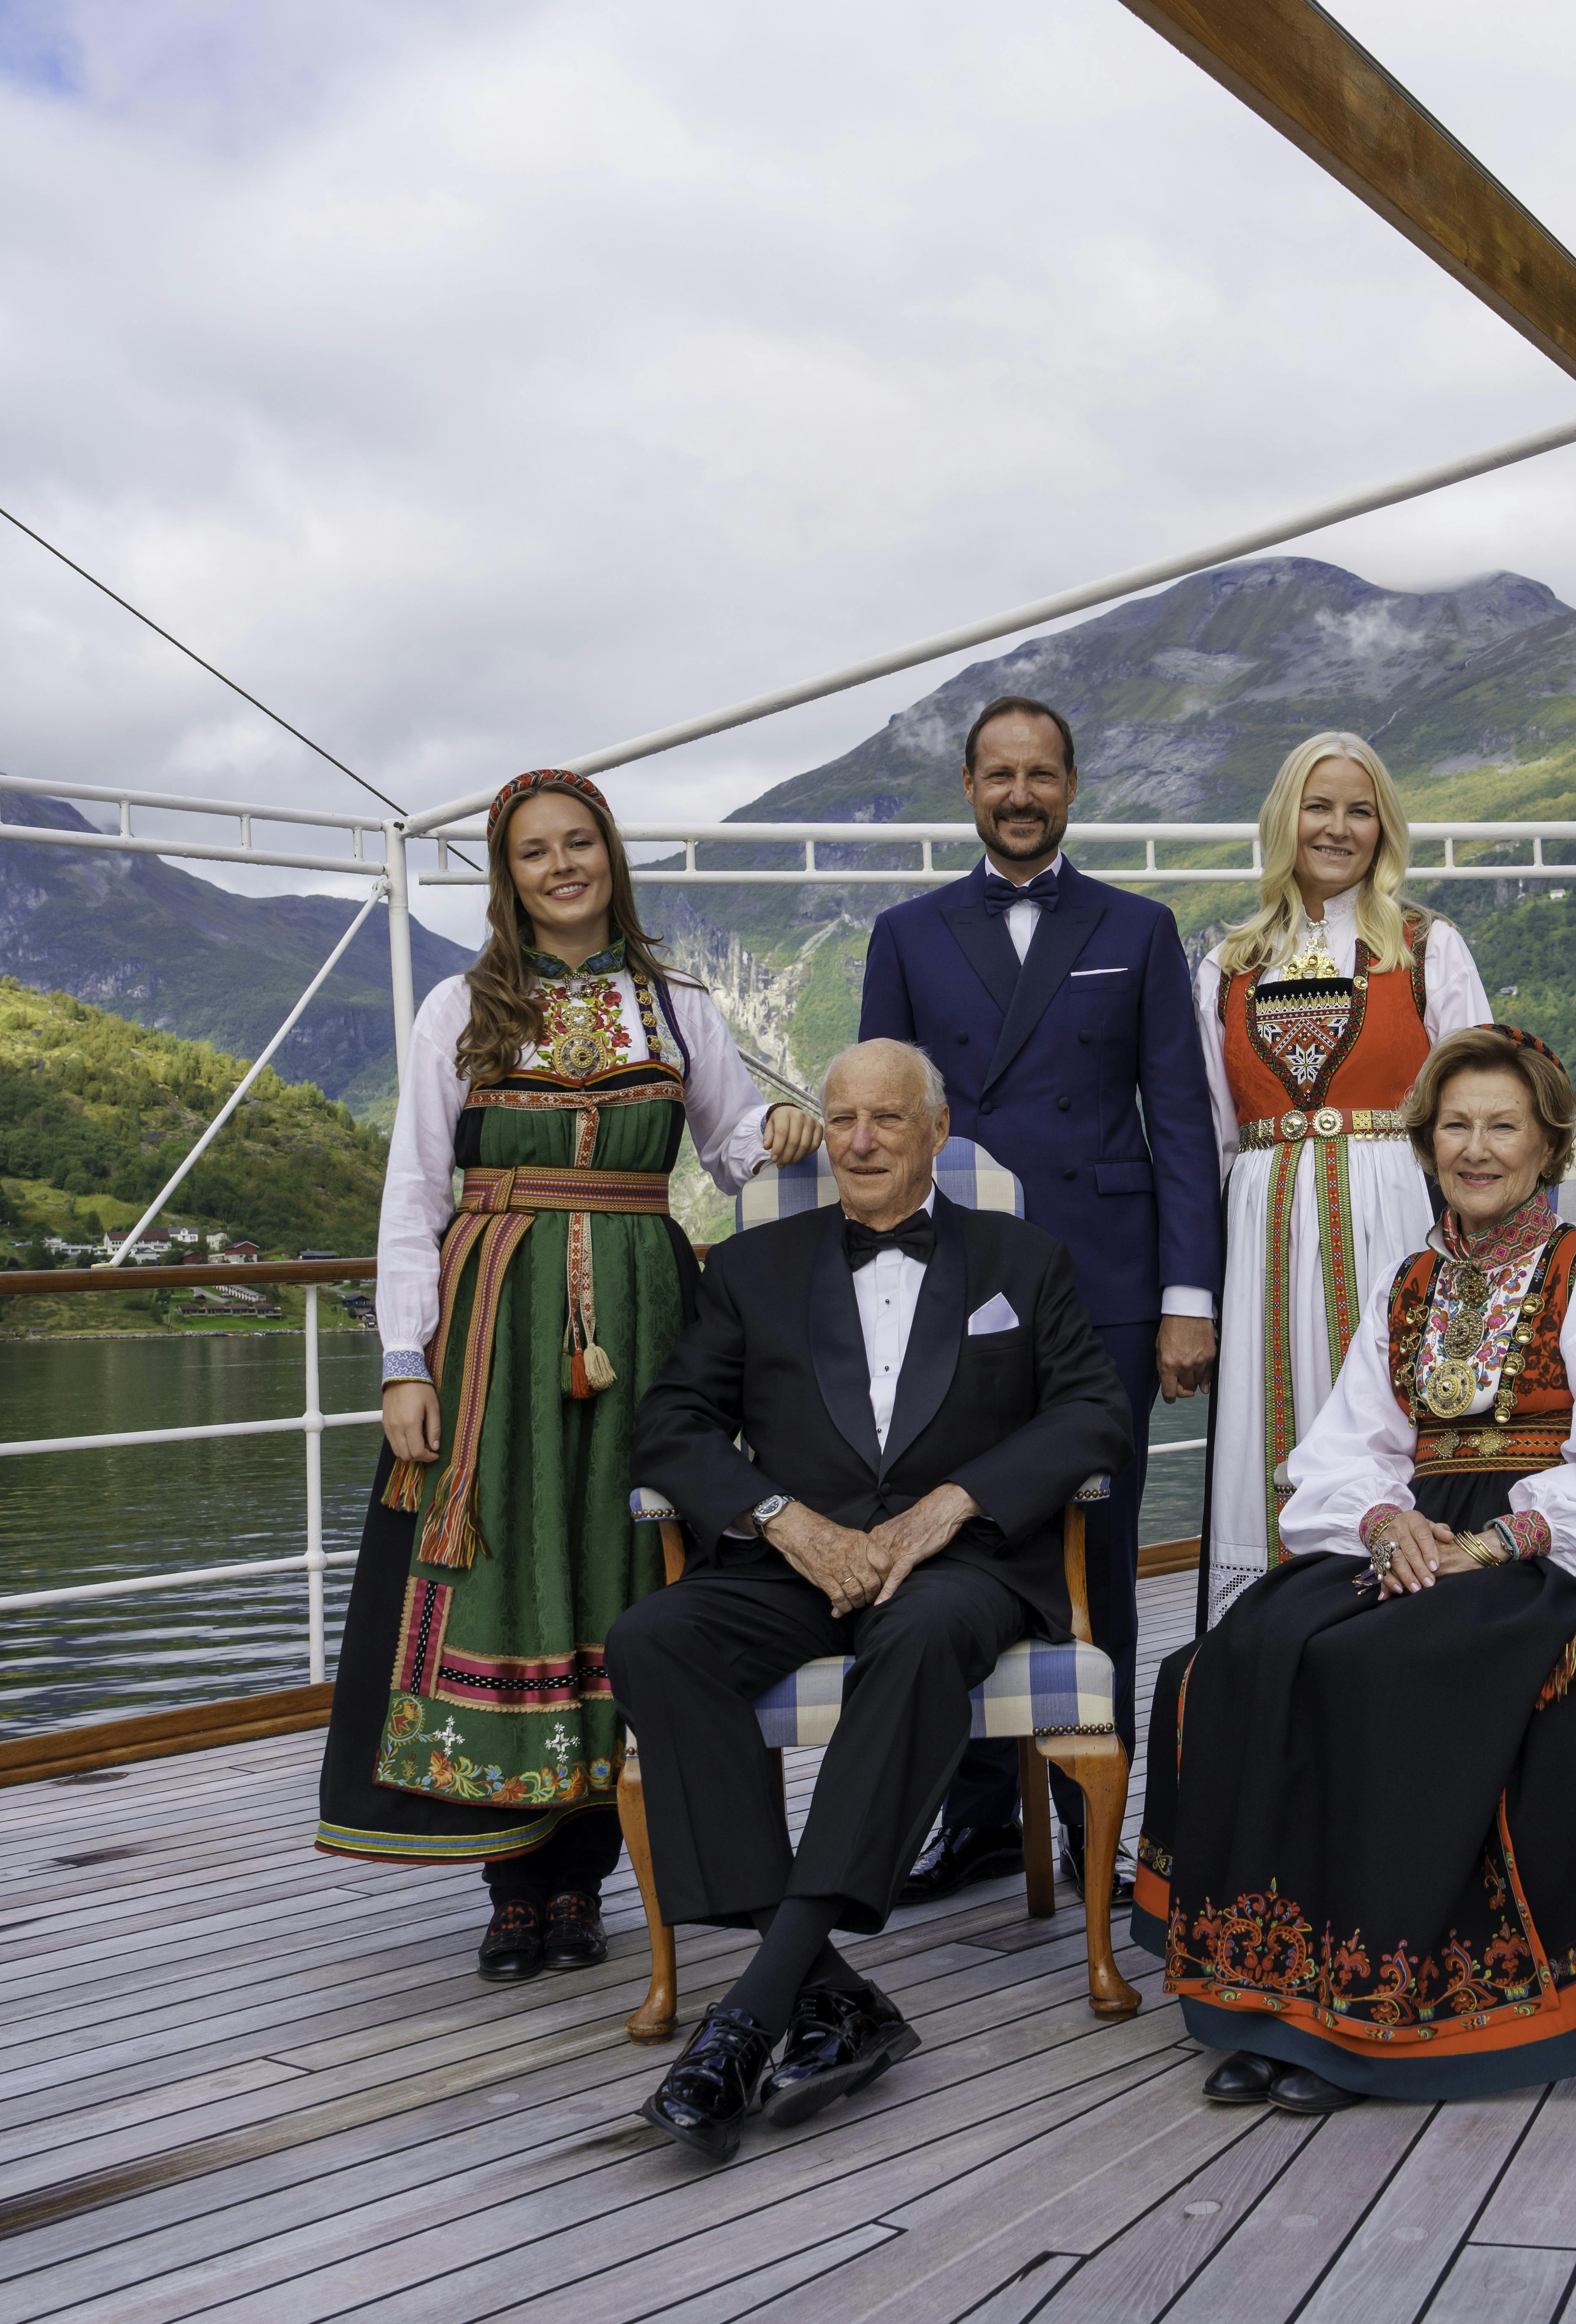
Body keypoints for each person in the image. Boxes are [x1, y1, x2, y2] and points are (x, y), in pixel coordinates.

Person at [319, 767, 818, 1978]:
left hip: (648, 1319)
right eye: (535, 851)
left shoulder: (678, 1004)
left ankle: (586, 1875)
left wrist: (783, 1130)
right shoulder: (460, 1007)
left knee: (620, 1568)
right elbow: (414, 1193)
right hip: (494, 1324)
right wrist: (404, 1360)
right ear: (509, 876)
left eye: (579, 842)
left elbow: (732, 1148)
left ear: (610, 855)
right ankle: (512, 1886)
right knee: (506, 1567)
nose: (561, 866)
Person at [1133, 1026, 1576, 2112]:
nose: (1476, 1149)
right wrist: (1388, 1521)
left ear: (1548, 1143)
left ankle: (1375, 2010)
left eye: (1503, 1127)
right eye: (1455, 1127)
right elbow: (1346, 1448)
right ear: (1428, 1145)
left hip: (1561, 1555)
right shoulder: (1408, 1283)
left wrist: (1490, 1543)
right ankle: (1269, 1991)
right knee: (1246, 1649)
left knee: (1379, 1666)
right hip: (1418, 1534)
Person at [614, 1038, 1130, 2164]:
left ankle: (748, 2014)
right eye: (841, 1118)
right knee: (653, 1636)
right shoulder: (750, 1267)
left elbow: (1094, 1412)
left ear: (936, 1130)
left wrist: (953, 1504)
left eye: (886, 1119)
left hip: (961, 1565)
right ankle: (835, 1990)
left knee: (922, 1633)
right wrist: (781, 1519)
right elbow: (672, 1424)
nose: (857, 1141)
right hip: (795, 1559)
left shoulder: (1024, 1258)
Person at [859, 695, 1221, 1902]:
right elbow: (881, 1126)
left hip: (1107, 1281)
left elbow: (1180, 1122)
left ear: (1072, 786)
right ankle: (976, 1817)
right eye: (1000, 775)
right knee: (948, 1540)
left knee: (1098, 1548)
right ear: (969, 788)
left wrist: (1187, 1297)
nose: (1021, 795)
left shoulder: (1141, 927)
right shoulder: (906, 934)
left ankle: (1090, 1823)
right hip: (949, 1282)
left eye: (1042, 774)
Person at [1195, 732, 1488, 1613]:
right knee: (1267, 1422)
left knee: (1393, 1412)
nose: (1338, 827)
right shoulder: (1226, 965)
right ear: (1283, 819)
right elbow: (1212, 1137)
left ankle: (1403, 1616)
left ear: (1383, 828)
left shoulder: (1427, 947)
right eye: (1317, 807)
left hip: (1393, 1213)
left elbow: (1479, 1109)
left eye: (1360, 811)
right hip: (1265, 1232)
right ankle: (1267, 1628)